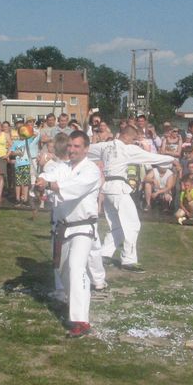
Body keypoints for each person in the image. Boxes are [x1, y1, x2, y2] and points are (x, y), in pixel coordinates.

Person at [35, 131, 101, 338]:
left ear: (86, 149)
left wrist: (50, 185)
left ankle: (81, 321)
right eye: (70, 146)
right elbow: (49, 174)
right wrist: (40, 180)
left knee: (76, 268)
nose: (72, 150)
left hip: (83, 227)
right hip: (63, 227)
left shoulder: (91, 170)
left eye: (77, 146)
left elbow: (74, 188)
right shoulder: (62, 167)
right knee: (64, 271)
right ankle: (75, 306)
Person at [88, 124, 174, 273]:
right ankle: (128, 259)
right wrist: (172, 160)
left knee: (116, 225)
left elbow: (85, 150)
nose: (134, 142)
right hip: (119, 189)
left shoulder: (105, 146)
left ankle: (104, 254)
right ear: (127, 136)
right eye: (133, 139)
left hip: (107, 189)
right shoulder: (128, 149)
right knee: (132, 224)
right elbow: (151, 157)